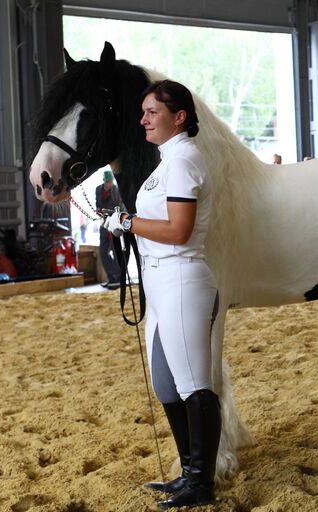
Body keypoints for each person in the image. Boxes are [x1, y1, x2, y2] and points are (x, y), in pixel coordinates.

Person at [103, 80, 221, 510]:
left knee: (194, 385)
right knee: (167, 386)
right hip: (158, 282)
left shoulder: (184, 160)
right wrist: (125, 223)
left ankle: (201, 483)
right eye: (144, 112)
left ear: (179, 117)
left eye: (152, 112)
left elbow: (178, 230)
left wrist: (129, 223)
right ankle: (188, 471)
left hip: (182, 278)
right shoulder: (166, 162)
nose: (143, 120)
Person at [95, 170, 123, 288]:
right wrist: (98, 210)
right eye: (107, 183)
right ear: (104, 182)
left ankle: (118, 278)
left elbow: (119, 206)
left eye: (110, 182)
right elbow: (98, 204)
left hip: (115, 223)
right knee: (103, 252)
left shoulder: (116, 190)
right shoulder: (98, 189)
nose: (109, 185)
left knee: (116, 252)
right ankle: (112, 278)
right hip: (104, 224)